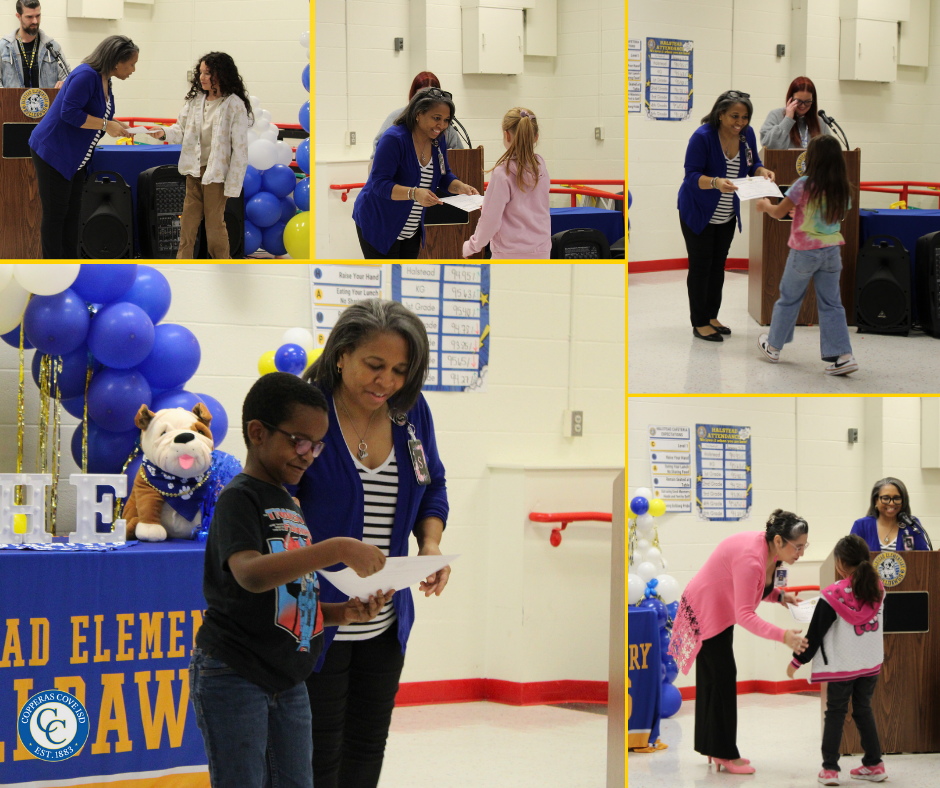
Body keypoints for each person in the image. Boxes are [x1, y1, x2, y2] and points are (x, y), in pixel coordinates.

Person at [190, 372, 392, 788]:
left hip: (290, 677)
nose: (309, 455)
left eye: (317, 446)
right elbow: (249, 575)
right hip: (235, 672)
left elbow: (289, 596)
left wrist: (341, 612)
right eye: (299, 441)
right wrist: (336, 549)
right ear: (258, 433)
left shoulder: (289, 502)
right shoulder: (239, 498)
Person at [294, 299, 451, 788]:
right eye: (375, 366)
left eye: (400, 371)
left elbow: (434, 486)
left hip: (384, 625)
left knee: (367, 748)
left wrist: (429, 547)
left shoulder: (410, 413)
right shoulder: (306, 411)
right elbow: (275, 505)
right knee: (317, 755)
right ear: (341, 354)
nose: (386, 382)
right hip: (317, 620)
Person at [669, 509, 809, 775]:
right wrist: (784, 636)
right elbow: (744, 615)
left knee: (714, 679)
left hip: (719, 608)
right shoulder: (752, 559)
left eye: (805, 546)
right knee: (722, 678)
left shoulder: (769, 552)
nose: (800, 553)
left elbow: (756, 587)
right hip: (708, 611)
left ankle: (713, 747)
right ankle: (725, 754)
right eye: (798, 547)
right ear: (778, 540)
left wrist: (780, 597)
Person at [787, 534, 886, 785]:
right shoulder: (878, 588)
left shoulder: (832, 595)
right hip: (869, 663)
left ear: (840, 563)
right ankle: (874, 765)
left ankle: (830, 769)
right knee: (864, 709)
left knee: (835, 713)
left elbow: (815, 633)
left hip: (842, 665)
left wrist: (797, 661)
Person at [677, 90, 776, 342]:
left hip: (726, 214)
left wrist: (762, 170)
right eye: (734, 116)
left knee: (717, 266)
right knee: (701, 267)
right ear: (720, 114)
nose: (739, 123)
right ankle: (699, 322)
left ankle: (711, 316)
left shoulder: (746, 135)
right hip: (698, 212)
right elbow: (690, 176)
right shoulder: (702, 137)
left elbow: (753, 163)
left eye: (744, 117)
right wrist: (715, 182)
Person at [755, 134, 857, 375]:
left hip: (804, 252)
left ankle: (774, 347)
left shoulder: (803, 184)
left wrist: (765, 206)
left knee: (789, 298)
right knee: (832, 304)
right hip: (831, 252)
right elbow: (832, 216)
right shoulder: (842, 187)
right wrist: (803, 214)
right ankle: (843, 355)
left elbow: (779, 212)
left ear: (813, 159)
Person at [28, 35, 134, 258]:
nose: (133, 69)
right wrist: (107, 125)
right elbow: (69, 113)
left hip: (75, 158)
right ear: (117, 61)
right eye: (131, 63)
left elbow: (97, 115)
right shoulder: (87, 75)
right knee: (56, 216)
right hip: (53, 151)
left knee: (73, 215)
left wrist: (114, 124)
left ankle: (69, 265)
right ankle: (51, 269)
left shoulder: (106, 79)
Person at [352, 87, 479, 258]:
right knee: (388, 280)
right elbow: (379, 184)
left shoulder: (438, 140)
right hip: (379, 224)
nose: (442, 125)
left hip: (410, 228)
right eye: (436, 118)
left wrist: (460, 187)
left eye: (446, 120)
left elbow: (444, 175)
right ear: (418, 114)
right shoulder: (394, 139)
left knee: (405, 278)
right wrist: (414, 193)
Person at [150, 52, 251, 259]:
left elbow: (240, 149)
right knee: (188, 221)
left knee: (214, 224)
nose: (202, 77)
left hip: (216, 175)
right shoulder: (195, 101)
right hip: (194, 170)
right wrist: (163, 133)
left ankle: (224, 263)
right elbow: (180, 129)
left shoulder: (234, 105)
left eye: (207, 73)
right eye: (201, 73)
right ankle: (182, 262)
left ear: (221, 74)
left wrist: (233, 184)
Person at [462, 107, 551, 259]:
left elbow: (490, 220)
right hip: (541, 252)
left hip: (508, 255)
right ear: (535, 137)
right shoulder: (541, 166)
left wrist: (471, 246)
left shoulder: (503, 173)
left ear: (506, 135)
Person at [370, 71, 465, 172]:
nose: (441, 124)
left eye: (434, 94)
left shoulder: (441, 133)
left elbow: (459, 155)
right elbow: (381, 178)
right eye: (423, 95)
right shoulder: (395, 125)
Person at [851, 477, 931, 552]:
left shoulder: (911, 524)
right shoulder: (861, 526)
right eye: (886, 498)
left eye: (896, 498)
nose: (891, 503)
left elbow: (923, 556)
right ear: (876, 501)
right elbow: (850, 558)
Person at [0, 0, 66, 89]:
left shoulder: (52, 47)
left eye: (38, 16)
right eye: (29, 17)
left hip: (47, 102)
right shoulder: (4, 48)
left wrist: (64, 83)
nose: (35, 21)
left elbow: (67, 77)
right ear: (18, 16)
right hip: (13, 102)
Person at [760, 76, 832, 150]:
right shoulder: (776, 116)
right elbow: (769, 146)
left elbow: (830, 151)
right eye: (799, 101)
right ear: (790, 99)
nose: (803, 105)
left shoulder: (820, 123)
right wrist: (787, 119)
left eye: (807, 101)